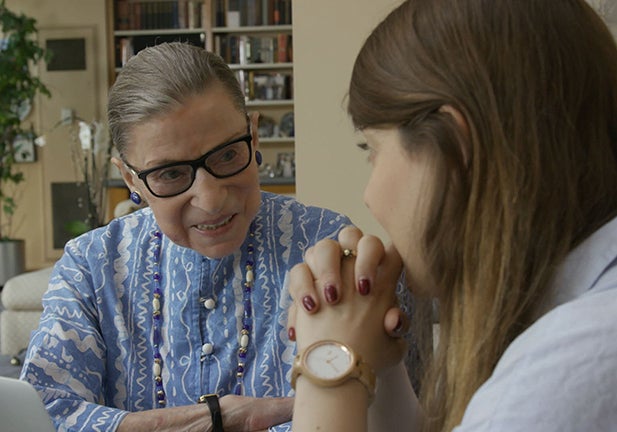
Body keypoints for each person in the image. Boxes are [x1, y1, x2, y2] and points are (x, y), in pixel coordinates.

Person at [286, 0, 617, 431]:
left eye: (372, 149)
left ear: (455, 149)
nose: (368, 197)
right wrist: (376, 364)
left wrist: (328, 364)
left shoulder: (572, 365)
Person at [19, 42, 353, 431]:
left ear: (254, 135)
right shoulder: (91, 268)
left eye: (227, 154)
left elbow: (370, 407)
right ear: (131, 179)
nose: (211, 200)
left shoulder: (326, 247)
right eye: (171, 174)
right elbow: (40, 415)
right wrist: (219, 418)